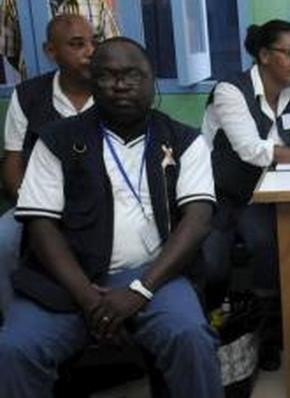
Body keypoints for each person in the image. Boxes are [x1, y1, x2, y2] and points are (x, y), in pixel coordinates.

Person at [0, 37, 223, 396]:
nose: (120, 85)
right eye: (107, 75)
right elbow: (41, 227)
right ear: (92, 81)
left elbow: (196, 221)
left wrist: (140, 290)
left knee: (191, 338)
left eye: (133, 75)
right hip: (68, 279)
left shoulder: (184, 140)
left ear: (152, 80)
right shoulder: (56, 140)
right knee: (13, 351)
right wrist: (90, 300)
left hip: (155, 275)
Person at [201, 19, 290, 308]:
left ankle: (268, 316)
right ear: (264, 55)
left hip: (261, 196)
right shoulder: (231, 91)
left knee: (268, 246)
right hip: (220, 192)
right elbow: (252, 150)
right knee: (212, 264)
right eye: (289, 53)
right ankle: (220, 317)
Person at [1, 14, 95, 313]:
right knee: (3, 240)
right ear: (50, 51)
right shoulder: (28, 96)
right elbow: (13, 164)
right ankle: (13, 317)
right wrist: (35, 210)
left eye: (95, 42)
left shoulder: (112, 91)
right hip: (38, 203)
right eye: (77, 44)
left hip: (101, 204)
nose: (91, 51)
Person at [0, 0, 119, 78]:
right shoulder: (14, 3)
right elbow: (11, 53)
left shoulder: (95, 2)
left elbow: (112, 49)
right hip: (37, 88)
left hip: (88, 89)